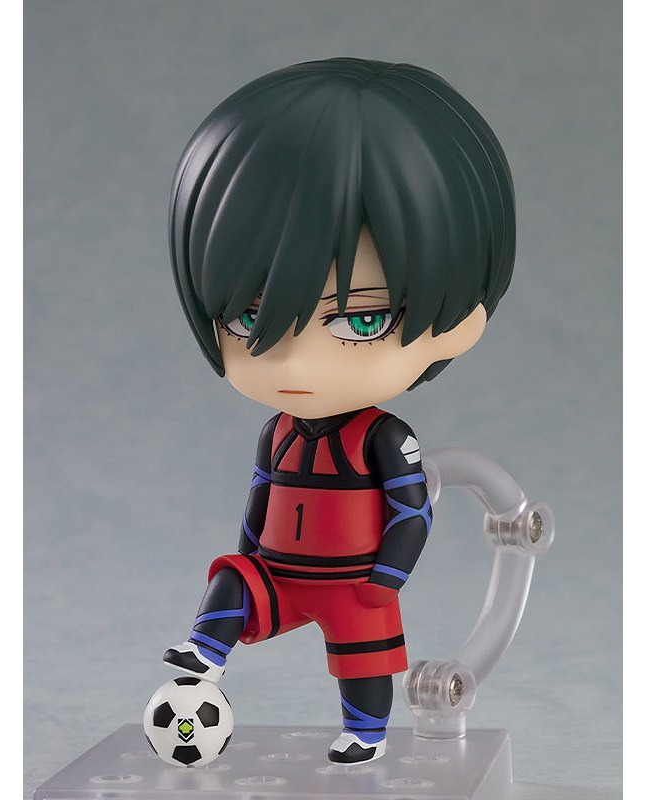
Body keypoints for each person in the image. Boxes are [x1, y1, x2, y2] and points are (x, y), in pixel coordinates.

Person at [164, 57, 516, 764]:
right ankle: (205, 653)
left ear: (458, 323)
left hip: (355, 581)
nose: (294, 364)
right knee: (228, 579)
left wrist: (387, 577)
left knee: (364, 661)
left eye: (360, 320)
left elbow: (412, 509)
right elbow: (261, 494)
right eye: (249, 318)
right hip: (280, 573)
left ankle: (366, 733)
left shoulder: (382, 436)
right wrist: (249, 552)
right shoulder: (278, 433)